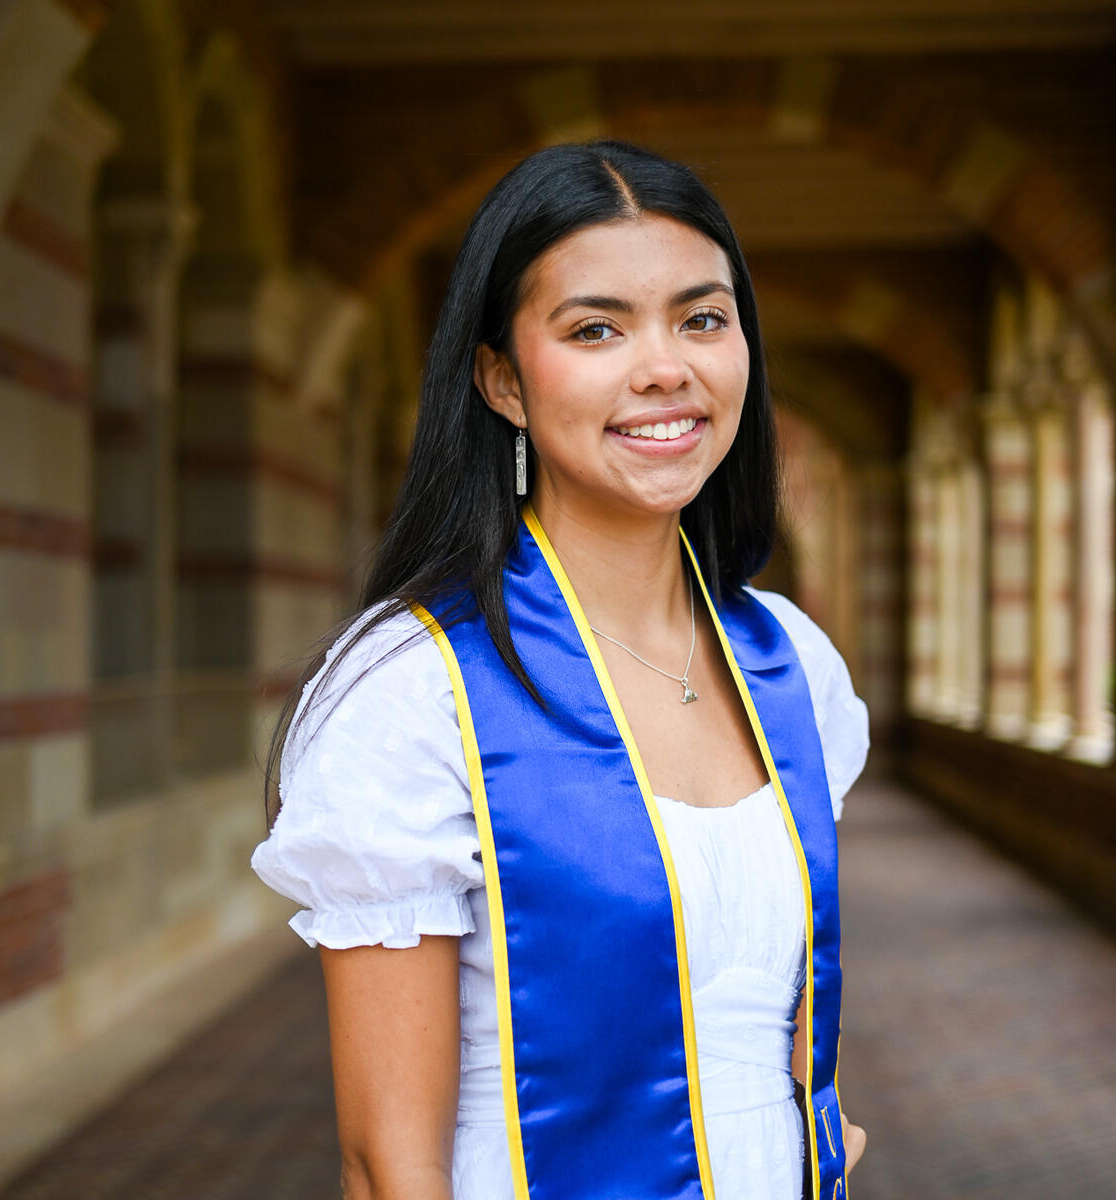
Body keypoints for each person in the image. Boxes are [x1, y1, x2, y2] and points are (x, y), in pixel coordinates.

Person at [251, 140, 869, 1200]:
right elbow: (388, 1166)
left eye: (702, 318)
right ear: (501, 380)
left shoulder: (790, 665)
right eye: (596, 329)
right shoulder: (417, 684)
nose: (665, 367)